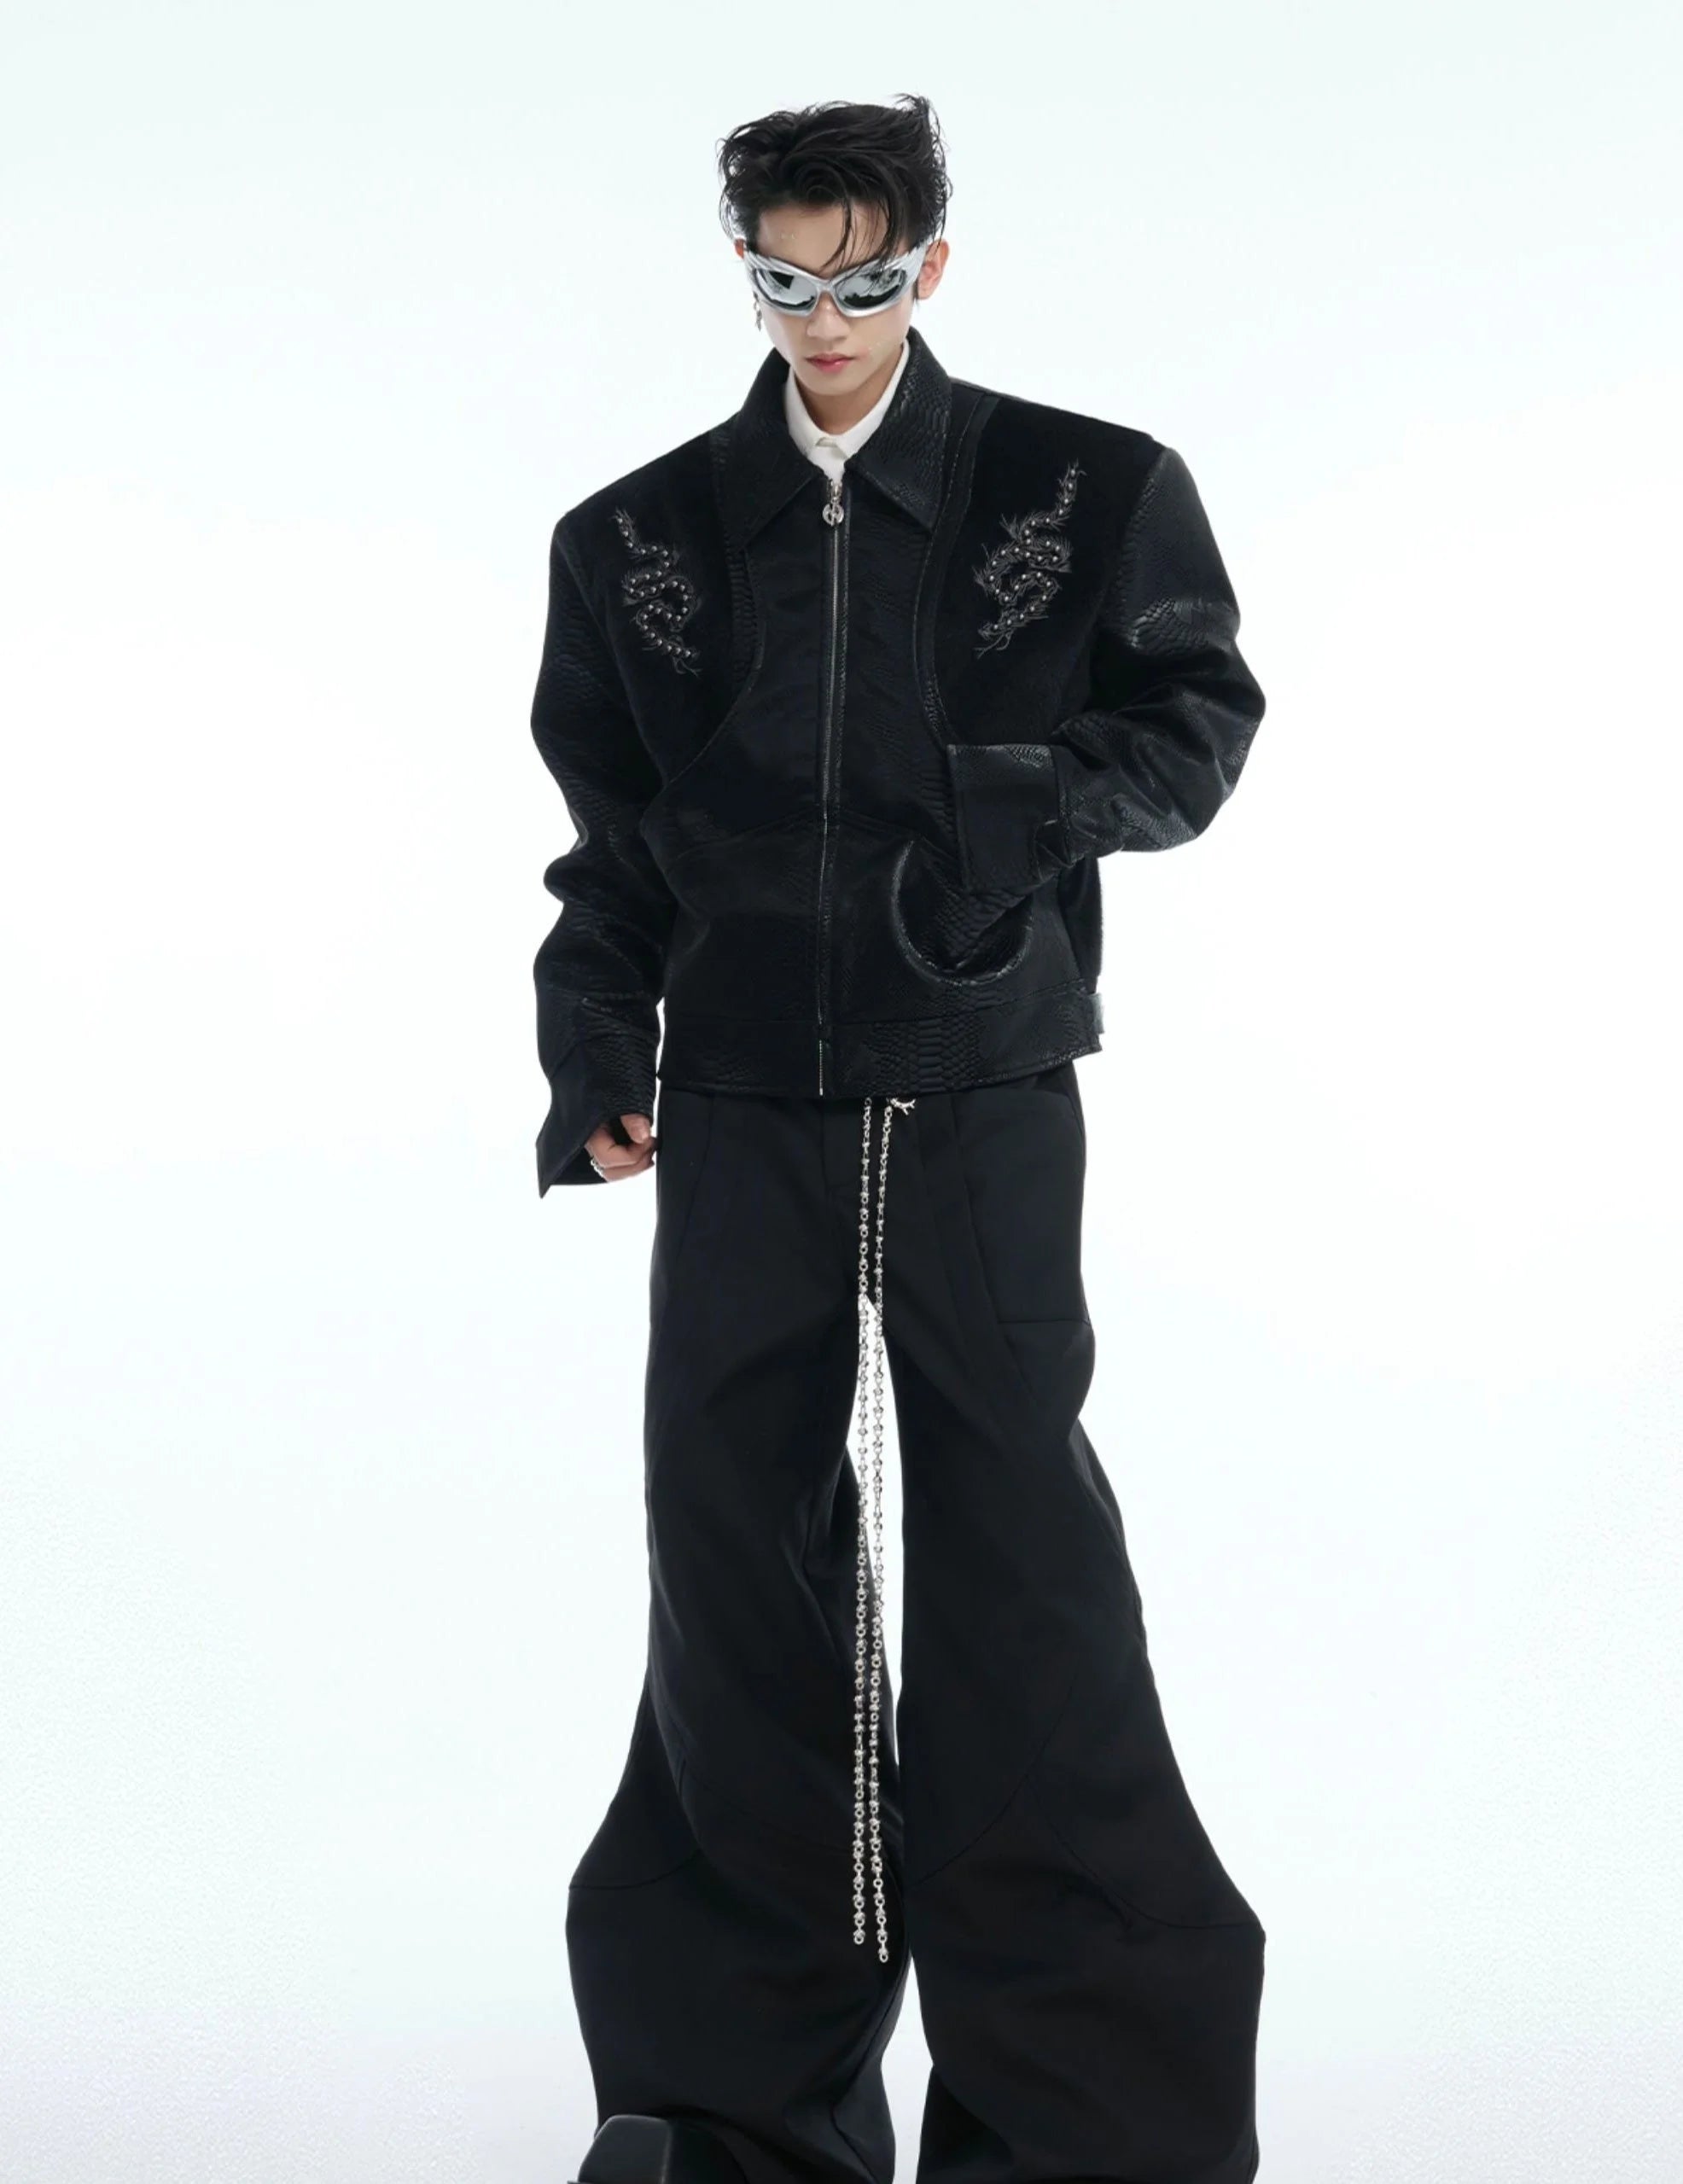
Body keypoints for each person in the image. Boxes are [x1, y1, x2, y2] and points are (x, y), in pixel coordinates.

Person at [530, 93, 1268, 2184]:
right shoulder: (640, 535)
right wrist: (590, 1044)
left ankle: (1084, 2123)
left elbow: (1195, 724)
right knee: (733, 1562)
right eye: (784, 278)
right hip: (738, 1096)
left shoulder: (1082, 486)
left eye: (861, 278)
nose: (824, 317)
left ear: (926, 265)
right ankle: (730, 2111)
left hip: (977, 1085)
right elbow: (611, 842)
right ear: (743, 267)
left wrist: (1008, 809)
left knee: (1019, 1562)